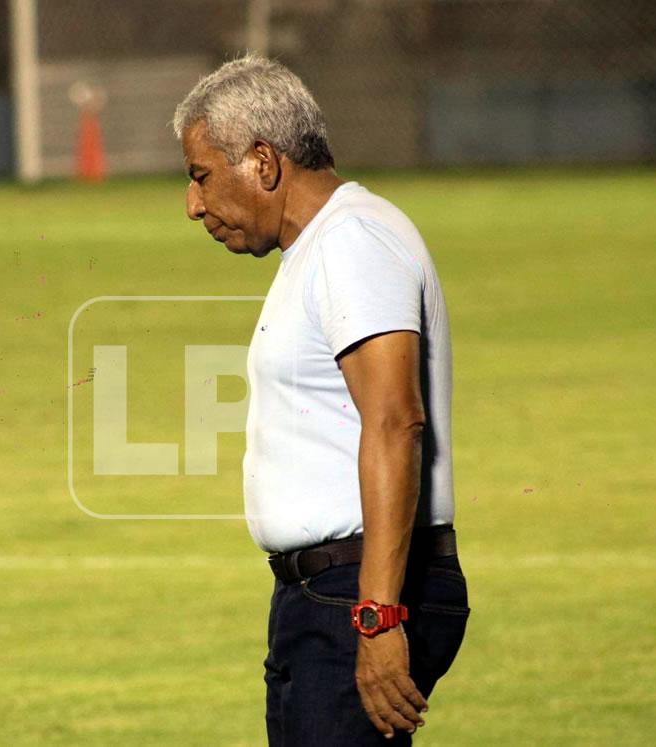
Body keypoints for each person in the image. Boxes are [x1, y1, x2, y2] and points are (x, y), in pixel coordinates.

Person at [173, 56, 469, 746]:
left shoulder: (351, 242)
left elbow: (396, 421)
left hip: (355, 593)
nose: (193, 204)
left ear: (264, 162)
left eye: (200, 175)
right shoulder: (319, 249)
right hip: (330, 594)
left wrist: (377, 616)